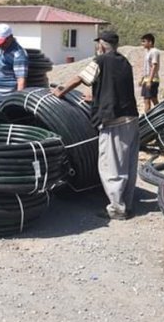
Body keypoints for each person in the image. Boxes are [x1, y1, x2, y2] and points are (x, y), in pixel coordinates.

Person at [53, 30, 139, 220]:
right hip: (131, 119)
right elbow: (116, 87)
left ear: (101, 45)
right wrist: (96, 96)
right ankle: (127, 204)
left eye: (97, 44)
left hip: (114, 121)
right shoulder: (123, 62)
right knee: (128, 165)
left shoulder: (100, 61)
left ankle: (117, 209)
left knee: (111, 166)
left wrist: (61, 91)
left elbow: (80, 78)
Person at [0, 23, 27, 103]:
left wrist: (18, 102)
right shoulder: (4, 48)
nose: (0, 46)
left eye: (2, 43)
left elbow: (21, 81)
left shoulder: (18, 54)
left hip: (7, 101)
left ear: (10, 37)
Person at [140, 33, 163, 111]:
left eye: (144, 41)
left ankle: (147, 118)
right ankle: (159, 113)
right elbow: (147, 67)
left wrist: (150, 80)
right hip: (147, 79)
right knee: (151, 99)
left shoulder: (154, 52)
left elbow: (154, 66)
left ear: (150, 42)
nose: (142, 43)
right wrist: (142, 78)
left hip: (152, 79)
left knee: (148, 100)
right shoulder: (148, 52)